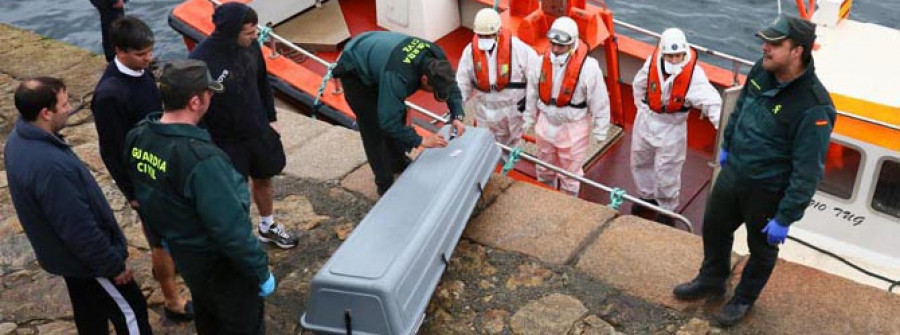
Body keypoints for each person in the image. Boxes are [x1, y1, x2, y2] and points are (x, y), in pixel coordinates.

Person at [672, 14, 835, 327]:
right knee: (715, 227)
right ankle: (712, 278)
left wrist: (785, 217)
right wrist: (728, 144)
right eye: (766, 41)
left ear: (797, 51)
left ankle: (743, 299)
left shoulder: (813, 107)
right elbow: (741, 107)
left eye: (775, 44)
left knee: (761, 251)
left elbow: (807, 171)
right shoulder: (763, 69)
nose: (765, 48)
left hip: (767, 189)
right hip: (734, 172)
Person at [125, 60, 275, 334]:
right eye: (208, 93)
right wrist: (260, 271)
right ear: (196, 102)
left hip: (184, 252)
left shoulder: (138, 136)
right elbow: (230, 230)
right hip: (219, 262)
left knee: (208, 315)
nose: (211, 98)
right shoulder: (202, 160)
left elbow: (146, 193)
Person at [6, 77, 152, 334]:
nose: (70, 107)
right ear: (45, 113)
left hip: (66, 258)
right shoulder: (49, 165)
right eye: (64, 103)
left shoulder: (18, 141)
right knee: (132, 310)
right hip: (88, 262)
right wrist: (113, 266)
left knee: (90, 314)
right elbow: (77, 227)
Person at [91, 16, 194, 322]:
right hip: (145, 180)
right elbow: (110, 150)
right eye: (141, 54)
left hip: (165, 164)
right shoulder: (109, 95)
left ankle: (174, 271)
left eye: (150, 52)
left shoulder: (142, 71)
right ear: (119, 50)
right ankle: (172, 300)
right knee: (159, 241)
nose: (149, 59)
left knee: (173, 233)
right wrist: (133, 193)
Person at [189, 2, 298, 249]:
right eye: (249, 32)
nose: (255, 36)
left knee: (264, 177)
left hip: (258, 128)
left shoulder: (251, 46)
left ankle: (267, 225)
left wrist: (271, 119)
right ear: (231, 32)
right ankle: (239, 239)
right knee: (231, 194)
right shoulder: (199, 62)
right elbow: (195, 111)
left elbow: (262, 81)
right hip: (224, 140)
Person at [333, 31, 467, 195]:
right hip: (356, 69)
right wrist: (421, 140)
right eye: (433, 90)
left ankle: (397, 162)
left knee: (397, 112)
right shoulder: (398, 76)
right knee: (373, 129)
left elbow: (450, 85)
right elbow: (388, 122)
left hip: (381, 59)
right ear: (424, 80)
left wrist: (457, 116)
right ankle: (384, 184)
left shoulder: (436, 56)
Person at [629, 28, 722, 226]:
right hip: (646, 118)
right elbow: (639, 84)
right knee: (639, 159)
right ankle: (646, 197)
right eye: (670, 56)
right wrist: (641, 108)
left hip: (672, 126)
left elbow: (712, 103)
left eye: (678, 56)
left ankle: (667, 209)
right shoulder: (652, 63)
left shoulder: (694, 75)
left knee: (667, 170)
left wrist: (724, 132)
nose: (674, 60)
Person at [523, 16, 611, 196]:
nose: (555, 49)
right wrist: (529, 117)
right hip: (546, 124)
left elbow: (599, 100)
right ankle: (544, 196)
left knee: (570, 174)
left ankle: (567, 204)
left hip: (573, 129)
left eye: (561, 46)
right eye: (553, 44)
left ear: (572, 44)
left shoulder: (589, 69)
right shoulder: (540, 63)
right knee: (544, 167)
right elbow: (532, 92)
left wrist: (601, 128)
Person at [456, 8, 538, 148]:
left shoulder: (519, 49)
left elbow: (535, 78)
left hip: (512, 112)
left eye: (488, 36)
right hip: (485, 112)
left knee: (512, 146)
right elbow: (461, 85)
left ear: (499, 32)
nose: (485, 40)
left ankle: (509, 167)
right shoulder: (470, 53)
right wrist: (457, 112)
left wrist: (531, 109)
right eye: (481, 36)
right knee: (485, 147)